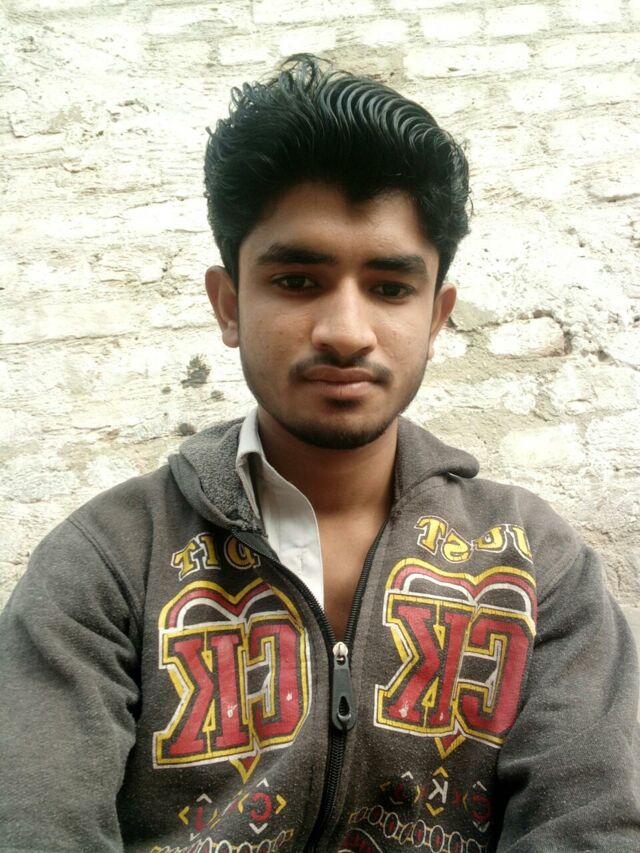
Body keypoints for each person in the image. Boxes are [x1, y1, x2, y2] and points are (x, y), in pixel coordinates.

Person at [1, 54, 638, 853]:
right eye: (299, 280)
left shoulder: (537, 562)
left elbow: (591, 823)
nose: (344, 330)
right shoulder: (107, 562)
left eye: (390, 287)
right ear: (229, 304)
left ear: (437, 316)